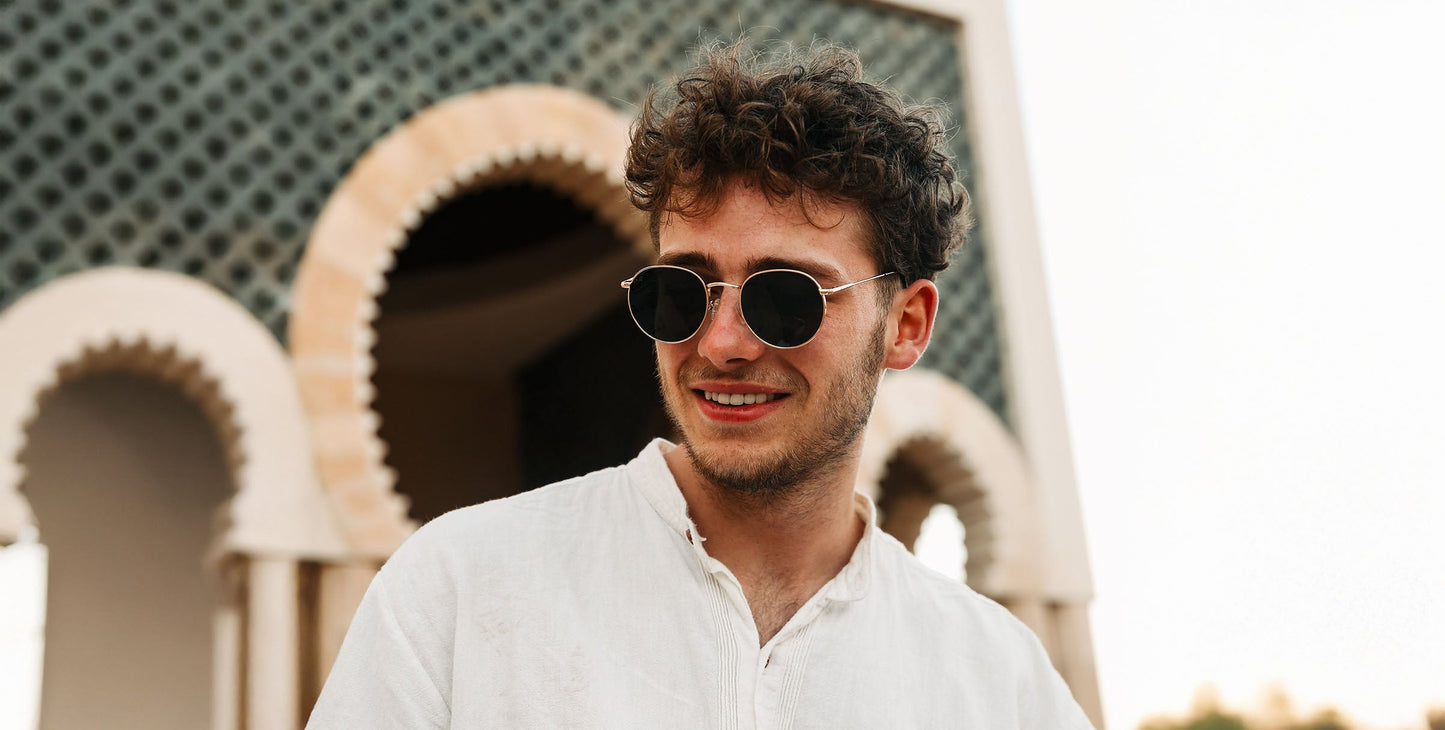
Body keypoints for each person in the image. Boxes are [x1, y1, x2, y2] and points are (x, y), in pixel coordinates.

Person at [308, 42, 1094, 729]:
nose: (719, 344)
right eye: (682, 292)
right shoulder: (461, 588)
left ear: (906, 325)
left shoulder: (997, 681)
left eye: (785, 298)